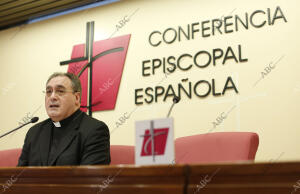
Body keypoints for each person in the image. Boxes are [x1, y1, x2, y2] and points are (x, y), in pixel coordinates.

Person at [18, 72, 110, 166]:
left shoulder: (94, 130)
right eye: (49, 92)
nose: (52, 97)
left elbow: (90, 178)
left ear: (77, 98)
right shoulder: (34, 132)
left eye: (60, 91)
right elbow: (19, 174)